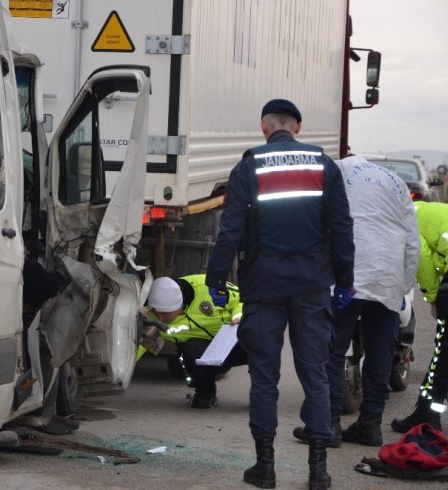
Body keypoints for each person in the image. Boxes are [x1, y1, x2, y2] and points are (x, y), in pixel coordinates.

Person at [206, 99, 355, 490]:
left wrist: (216, 279)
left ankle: (265, 468)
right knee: (316, 374)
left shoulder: (249, 165)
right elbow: (341, 226)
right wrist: (345, 279)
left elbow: (230, 230)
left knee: (265, 377)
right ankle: (318, 472)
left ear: (264, 127)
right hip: (311, 285)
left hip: (264, 286)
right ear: (298, 127)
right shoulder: (324, 166)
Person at [293, 155, 419, 448]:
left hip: (349, 272)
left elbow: (317, 223)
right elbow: (412, 241)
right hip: (388, 274)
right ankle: (370, 425)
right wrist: (403, 286)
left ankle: (329, 425)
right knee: (380, 353)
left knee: (332, 350)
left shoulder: (334, 171)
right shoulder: (397, 183)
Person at [391, 200, 448, 433]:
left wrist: (434, 296)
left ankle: (427, 414)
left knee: (445, 352)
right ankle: (425, 410)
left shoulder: (407, 218)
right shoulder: (432, 212)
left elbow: (422, 258)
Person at [141, 275, 247, 409]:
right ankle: (205, 393)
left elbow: (243, 298)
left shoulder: (208, 287)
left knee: (260, 341)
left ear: (180, 305)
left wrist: (238, 316)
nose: (160, 318)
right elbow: (140, 342)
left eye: (166, 313)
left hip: (236, 343)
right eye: (157, 313)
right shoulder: (152, 318)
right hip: (204, 355)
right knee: (190, 350)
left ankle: (260, 393)